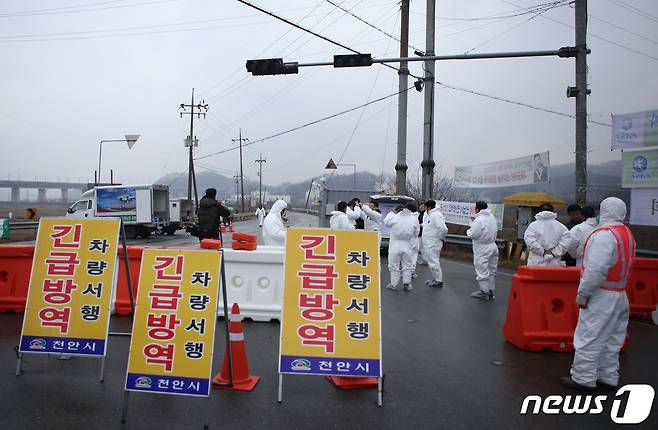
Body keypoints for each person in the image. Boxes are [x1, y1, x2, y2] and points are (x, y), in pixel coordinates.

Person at [561, 197, 636, 391]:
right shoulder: (626, 233)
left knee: (589, 336)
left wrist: (584, 293)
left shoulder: (603, 235)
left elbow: (596, 269)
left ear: (604, 211)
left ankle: (583, 378)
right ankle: (608, 376)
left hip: (602, 294)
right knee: (612, 339)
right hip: (620, 293)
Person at [382, 202, 420, 291]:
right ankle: (407, 283)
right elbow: (416, 234)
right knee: (407, 265)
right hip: (407, 244)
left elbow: (386, 222)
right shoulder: (414, 219)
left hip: (395, 244)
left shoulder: (395, 217)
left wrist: (391, 212)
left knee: (394, 265)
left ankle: (393, 284)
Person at [466, 202, 499, 301]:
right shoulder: (491, 217)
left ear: (477, 209)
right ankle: (490, 290)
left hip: (482, 248)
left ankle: (484, 292)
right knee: (491, 270)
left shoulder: (479, 219)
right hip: (493, 245)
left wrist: (468, 230)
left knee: (481, 270)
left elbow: (474, 234)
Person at [422, 200, 448, 288]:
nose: (423, 208)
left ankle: (438, 281)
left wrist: (441, 238)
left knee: (434, 262)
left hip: (433, 242)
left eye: (425, 206)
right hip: (429, 243)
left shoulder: (436, 215)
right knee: (431, 262)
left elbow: (443, 229)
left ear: (429, 207)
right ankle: (435, 278)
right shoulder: (429, 215)